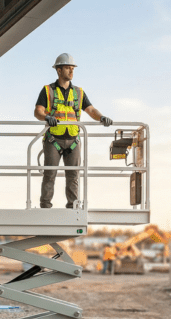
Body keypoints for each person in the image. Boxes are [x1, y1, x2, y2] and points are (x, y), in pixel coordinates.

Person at [34, 53, 113, 209]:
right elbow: (38, 111)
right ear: (58, 70)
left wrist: (102, 117)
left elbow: (91, 110)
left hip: (73, 140)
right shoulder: (48, 90)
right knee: (49, 175)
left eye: (72, 68)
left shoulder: (78, 92)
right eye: (68, 68)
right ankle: (45, 208)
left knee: (74, 176)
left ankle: (73, 207)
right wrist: (46, 117)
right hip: (53, 140)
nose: (71, 71)